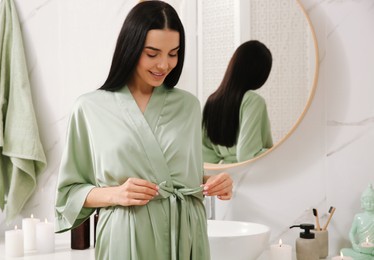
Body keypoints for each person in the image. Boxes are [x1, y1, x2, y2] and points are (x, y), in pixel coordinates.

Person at [54, 1, 233, 260]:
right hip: (125, 236)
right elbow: (68, 194)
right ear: (131, 48)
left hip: (186, 234)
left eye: (173, 53)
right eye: (152, 53)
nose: (164, 64)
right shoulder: (89, 108)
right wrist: (116, 193)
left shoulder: (188, 106)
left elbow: (182, 174)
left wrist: (213, 183)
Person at [202, 40, 273, 164]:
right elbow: (247, 154)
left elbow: (205, 155)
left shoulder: (212, 100)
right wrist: (276, 152)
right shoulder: (253, 101)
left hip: (222, 176)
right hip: (252, 175)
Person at [342, 184, 374, 260]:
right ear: (362, 203)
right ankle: (367, 258)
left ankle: (366, 257)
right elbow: (351, 233)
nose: (369, 204)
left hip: (372, 250)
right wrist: (354, 245)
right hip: (360, 249)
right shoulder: (358, 217)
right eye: (366, 202)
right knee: (343, 251)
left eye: (372, 202)